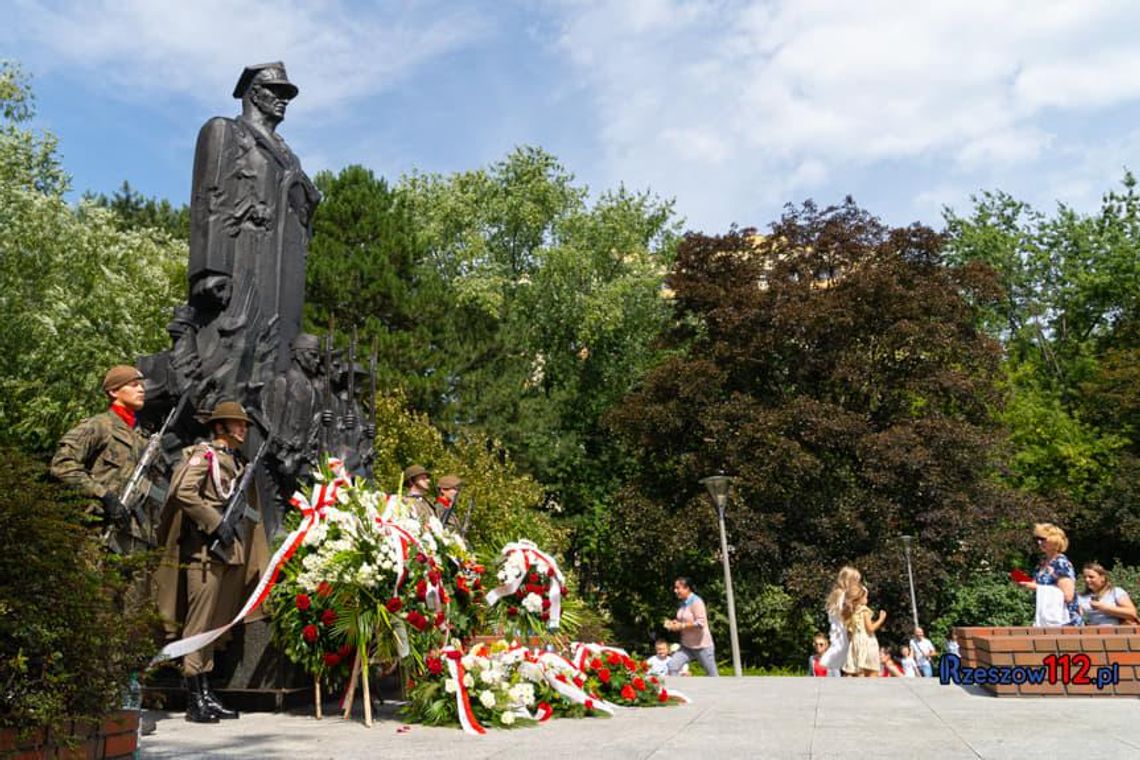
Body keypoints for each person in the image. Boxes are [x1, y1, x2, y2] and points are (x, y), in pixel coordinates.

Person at [156, 402, 257, 724]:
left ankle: (206, 692)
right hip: (204, 551)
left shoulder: (233, 460)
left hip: (227, 551)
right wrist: (215, 523)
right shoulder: (204, 455)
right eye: (236, 424)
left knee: (214, 625)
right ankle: (194, 697)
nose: (242, 429)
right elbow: (184, 492)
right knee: (198, 625)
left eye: (243, 425)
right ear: (219, 427)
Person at [51, 365, 152, 554]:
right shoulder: (98, 426)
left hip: (132, 532)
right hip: (96, 528)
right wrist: (103, 496)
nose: (141, 389)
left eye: (142, 386)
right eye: (134, 385)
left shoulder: (141, 437)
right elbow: (62, 465)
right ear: (114, 391)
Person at [1015, 522, 1081, 626]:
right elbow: (1040, 585)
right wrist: (1024, 582)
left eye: (1043, 539)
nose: (1039, 543)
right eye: (1037, 539)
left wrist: (1037, 588)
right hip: (1045, 618)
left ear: (1055, 540)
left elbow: (1068, 596)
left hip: (1064, 620)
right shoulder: (1041, 564)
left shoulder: (1061, 563)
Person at [664, 577, 718, 677]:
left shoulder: (696, 602)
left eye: (677, 588)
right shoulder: (682, 603)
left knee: (712, 675)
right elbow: (683, 620)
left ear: (687, 588)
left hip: (702, 646)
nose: (675, 591)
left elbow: (700, 623)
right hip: (687, 646)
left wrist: (682, 625)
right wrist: (673, 623)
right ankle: (678, 691)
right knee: (672, 666)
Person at [822, 566, 860, 672]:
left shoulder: (838, 594)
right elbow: (844, 613)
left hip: (839, 631)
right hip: (841, 630)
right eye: (855, 581)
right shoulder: (841, 594)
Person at [842, 584, 885, 677]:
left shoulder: (851, 613)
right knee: (872, 672)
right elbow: (870, 629)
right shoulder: (864, 611)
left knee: (857, 672)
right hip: (867, 642)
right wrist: (881, 619)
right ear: (859, 598)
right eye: (866, 597)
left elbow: (849, 633)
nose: (867, 599)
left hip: (855, 642)